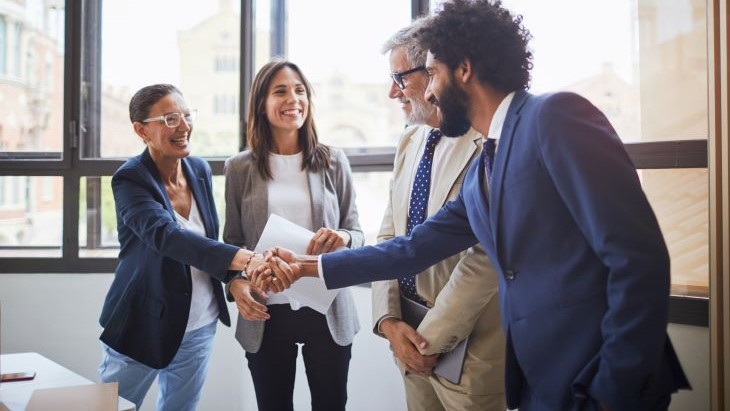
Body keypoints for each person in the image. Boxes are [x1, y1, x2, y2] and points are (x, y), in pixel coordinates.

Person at [257, 1, 692, 410]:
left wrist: (613, 389)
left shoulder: (555, 116)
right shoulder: (489, 160)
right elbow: (411, 248)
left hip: (597, 378)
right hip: (542, 381)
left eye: (432, 73)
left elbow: (639, 260)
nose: (428, 93)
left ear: (463, 70)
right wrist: (306, 267)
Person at [98, 83, 266, 411]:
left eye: (187, 115)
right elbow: (166, 236)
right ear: (141, 130)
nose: (185, 126)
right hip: (141, 325)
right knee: (111, 408)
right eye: (171, 119)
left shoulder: (199, 169)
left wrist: (234, 278)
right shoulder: (130, 179)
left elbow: (206, 244)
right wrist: (244, 259)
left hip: (199, 324)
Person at [373, 20, 505, 410]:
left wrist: (429, 339)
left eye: (400, 78)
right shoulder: (410, 138)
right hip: (406, 337)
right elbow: (389, 236)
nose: (392, 92)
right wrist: (388, 321)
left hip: (470, 351)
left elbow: (486, 259)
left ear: (436, 71)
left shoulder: (488, 143)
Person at [223, 58, 363, 411]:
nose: (293, 99)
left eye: (300, 91)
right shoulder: (239, 167)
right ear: (261, 103)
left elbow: (358, 233)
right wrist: (236, 284)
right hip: (266, 311)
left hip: (327, 308)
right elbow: (231, 243)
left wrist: (344, 238)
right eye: (281, 91)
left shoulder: (333, 160)